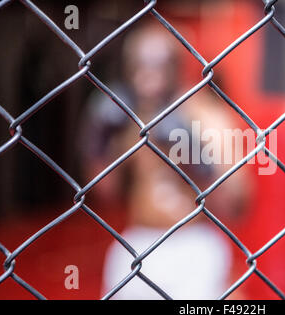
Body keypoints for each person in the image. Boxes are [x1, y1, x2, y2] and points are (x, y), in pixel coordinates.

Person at [82, 23, 250, 299]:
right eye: (140, 65)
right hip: (137, 243)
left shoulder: (206, 116)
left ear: (176, 67)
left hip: (193, 246)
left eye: (158, 65)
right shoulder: (127, 117)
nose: (147, 75)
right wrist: (97, 145)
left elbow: (238, 205)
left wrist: (196, 159)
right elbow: (107, 193)